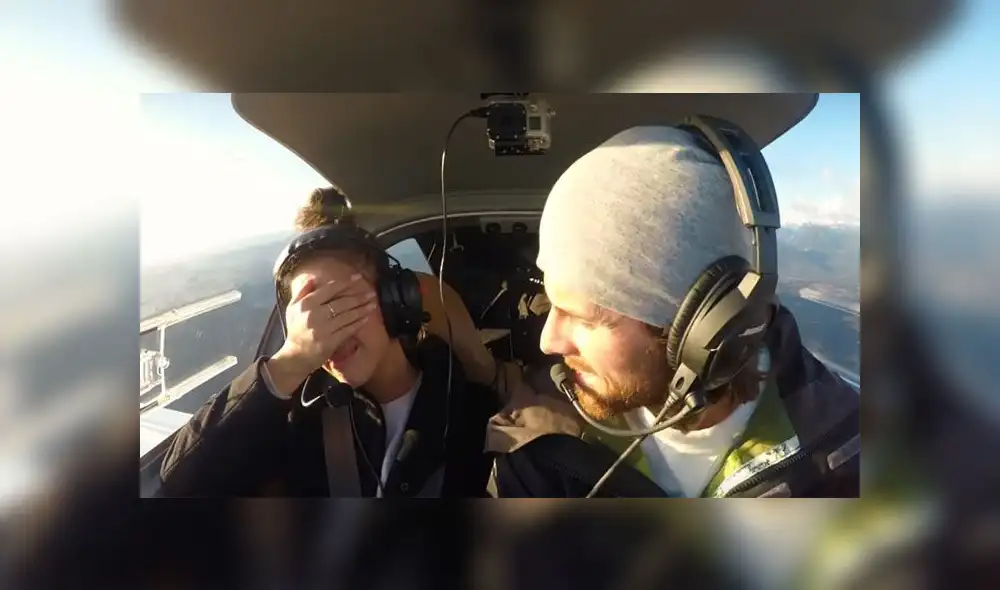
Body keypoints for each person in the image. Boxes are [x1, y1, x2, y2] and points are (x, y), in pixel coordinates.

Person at [486, 125, 860, 498]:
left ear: (700, 327)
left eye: (584, 318)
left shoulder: (845, 454)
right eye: (554, 305)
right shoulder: (535, 432)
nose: (548, 341)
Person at [159, 186, 502, 497]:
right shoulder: (300, 418)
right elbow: (176, 484)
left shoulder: (476, 413)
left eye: (342, 303)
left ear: (394, 299)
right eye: (310, 315)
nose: (327, 334)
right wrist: (290, 361)